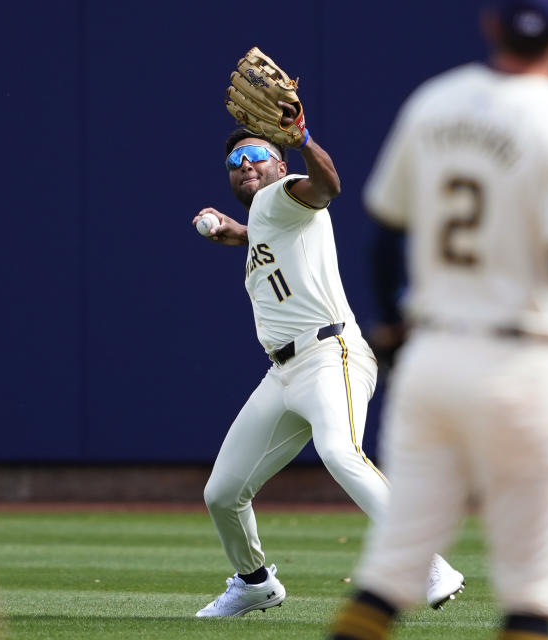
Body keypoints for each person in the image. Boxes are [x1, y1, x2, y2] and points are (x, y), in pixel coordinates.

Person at [329, 1, 548, 638]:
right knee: (531, 596)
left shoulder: (433, 104)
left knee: (387, 580)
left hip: (433, 361)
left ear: (489, 24)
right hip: (525, 365)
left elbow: (383, 241)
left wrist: (393, 331)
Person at [190, 102, 464, 617]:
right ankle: (254, 583)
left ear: (276, 165)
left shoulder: (281, 193)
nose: (245, 164)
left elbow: (327, 187)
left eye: (256, 154)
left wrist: (301, 138)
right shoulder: (266, 220)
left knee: (340, 452)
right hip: (284, 373)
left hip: (329, 353)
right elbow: (278, 238)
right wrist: (240, 235)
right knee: (223, 492)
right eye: (234, 161)